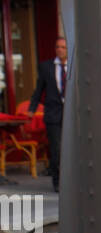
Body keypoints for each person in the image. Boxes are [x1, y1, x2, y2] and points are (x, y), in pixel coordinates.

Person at [29, 35, 66, 191]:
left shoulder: (75, 66)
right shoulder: (46, 67)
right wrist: (32, 108)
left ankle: (73, 180)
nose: (60, 50)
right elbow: (39, 90)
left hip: (72, 115)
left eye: (63, 47)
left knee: (73, 148)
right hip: (53, 114)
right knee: (56, 149)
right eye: (57, 47)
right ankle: (58, 182)